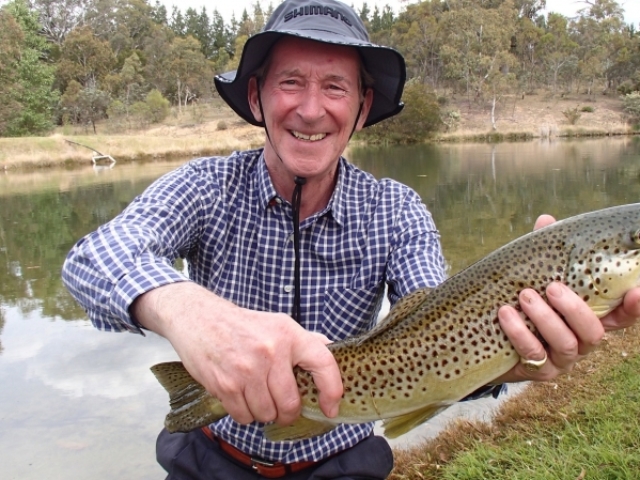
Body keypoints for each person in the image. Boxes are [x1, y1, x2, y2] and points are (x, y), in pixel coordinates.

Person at [61, 0, 640, 478]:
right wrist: (187, 312)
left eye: (335, 87)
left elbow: (436, 332)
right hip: (211, 459)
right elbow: (92, 257)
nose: (311, 110)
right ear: (258, 97)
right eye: (291, 82)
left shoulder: (398, 210)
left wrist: (500, 362)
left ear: (362, 108)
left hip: (344, 460)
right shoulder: (205, 185)